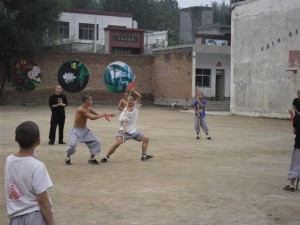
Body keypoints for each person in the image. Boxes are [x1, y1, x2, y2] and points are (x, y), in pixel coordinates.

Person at [4, 121, 54, 225]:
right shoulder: (37, 166)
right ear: (38, 141)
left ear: (15, 139)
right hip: (34, 216)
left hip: (15, 217)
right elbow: (42, 199)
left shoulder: (9, 160)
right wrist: (51, 223)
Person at [101, 90, 153, 162]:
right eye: (129, 100)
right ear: (127, 101)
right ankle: (106, 157)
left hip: (133, 131)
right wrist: (125, 130)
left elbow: (139, 96)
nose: (130, 101)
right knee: (117, 143)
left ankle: (144, 156)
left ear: (134, 101)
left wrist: (134, 91)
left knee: (146, 139)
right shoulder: (124, 111)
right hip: (124, 132)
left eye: (132, 100)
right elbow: (123, 122)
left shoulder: (136, 107)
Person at [65, 95, 115, 165]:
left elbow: (97, 114)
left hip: (84, 130)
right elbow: (93, 118)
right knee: (72, 145)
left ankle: (92, 159)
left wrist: (108, 114)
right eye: (90, 100)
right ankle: (67, 158)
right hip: (75, 131)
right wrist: (103, 114)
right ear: (86, 101)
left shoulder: (89, 108)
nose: (92, 101)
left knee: (96, 142)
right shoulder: (80, 109)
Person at [284, 111, 300, 192]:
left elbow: (294, 131)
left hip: (299, 145)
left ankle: (292, 185)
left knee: (295, 164)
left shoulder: (297, 118)